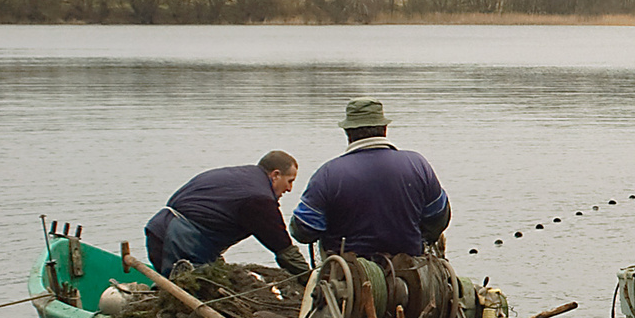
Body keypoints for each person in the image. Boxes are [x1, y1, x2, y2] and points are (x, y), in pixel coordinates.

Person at [289, 98, 451, 258]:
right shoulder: (418, 164)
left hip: (348, 274)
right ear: (384, 127)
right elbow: (439, 216)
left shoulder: (327, 174)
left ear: (348, 131)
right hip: (410, 268)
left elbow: (303, 229)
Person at [144, 152, 310, 278]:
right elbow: (283, 248)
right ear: (275, 175)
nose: (289, 189)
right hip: (176, 240)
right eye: (290, 181)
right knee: (193, 296)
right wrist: (309, 279)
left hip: (163, 228)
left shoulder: (241, 177)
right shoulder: (258, 198)